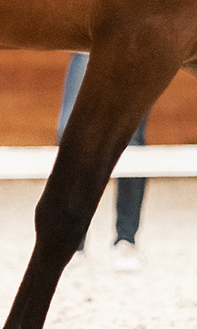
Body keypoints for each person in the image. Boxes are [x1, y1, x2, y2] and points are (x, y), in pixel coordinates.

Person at [57, 52, 146, 270]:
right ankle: (73, 243)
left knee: (130, 136)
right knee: (70, 131)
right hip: (88, 44)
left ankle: (126, 240)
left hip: (137, 44)